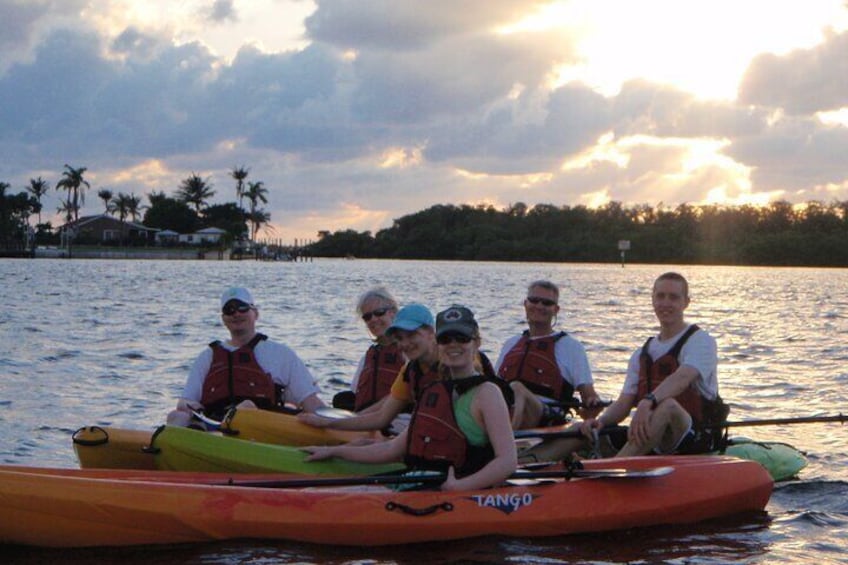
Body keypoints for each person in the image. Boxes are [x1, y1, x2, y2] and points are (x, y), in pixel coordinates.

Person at [304, 306, 517, 491]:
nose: (453, 345)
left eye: (462, 338)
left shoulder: (487, 393)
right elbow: (392, 449)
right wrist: (334, 451)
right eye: (445, 339)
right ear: (437, 341)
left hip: (453, 488)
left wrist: (459, 487)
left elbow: (507, 461)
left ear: (476, 342)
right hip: (422, 480)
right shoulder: (434, 391)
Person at [523, 272, 727, 462]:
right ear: (653, 300)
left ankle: (613, 468)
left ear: (686, 303)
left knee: (667, 406)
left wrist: (648, 401)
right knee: (584, 428)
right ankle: (523, 465)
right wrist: (600, 422)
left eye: (673, 297)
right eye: (661, 296)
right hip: (651, 434)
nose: (666, 303)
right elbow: (624, 403)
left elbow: (683, 377)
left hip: (693, 435)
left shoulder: (701, 341)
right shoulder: (641, 353)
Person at [167, 287, 324, 426]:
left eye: (242, 308)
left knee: (246, 408)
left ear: (255, 313)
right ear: (223, 319)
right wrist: (187, 406)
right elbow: (186, 400)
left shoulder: (281, 354)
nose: (236, 314)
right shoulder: (207, 357)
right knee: (176, 416)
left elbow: (310, 401)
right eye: (229, 310)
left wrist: (335, 422)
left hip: (261, 428)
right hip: (216, 426)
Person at [298, 303, 440, 432]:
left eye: (412, 335)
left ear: (431, 332)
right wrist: (328, 423)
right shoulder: (410, 371)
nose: (405, 343)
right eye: (400, 338)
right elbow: (381, 417)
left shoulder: (451, 366)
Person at [495, 280, 602, 429]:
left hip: (546, 418)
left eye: (546, 303)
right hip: (504, 411)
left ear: (556, 309)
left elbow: (589, 395)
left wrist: (592, 404)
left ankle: (506, 440)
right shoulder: (510, 344)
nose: (539, 306)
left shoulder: (570, 347)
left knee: (517, 388)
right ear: (525, 304)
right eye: (534, 300)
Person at [330, 287, 406, 413]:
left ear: (393, 312)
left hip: (395, 419)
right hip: (365, 419)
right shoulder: (367, 358)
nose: (373, 319)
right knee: (341, 399)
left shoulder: (407, 351)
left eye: (379, 312)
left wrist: (359, 418)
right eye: (367, 317)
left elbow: (407, 396)